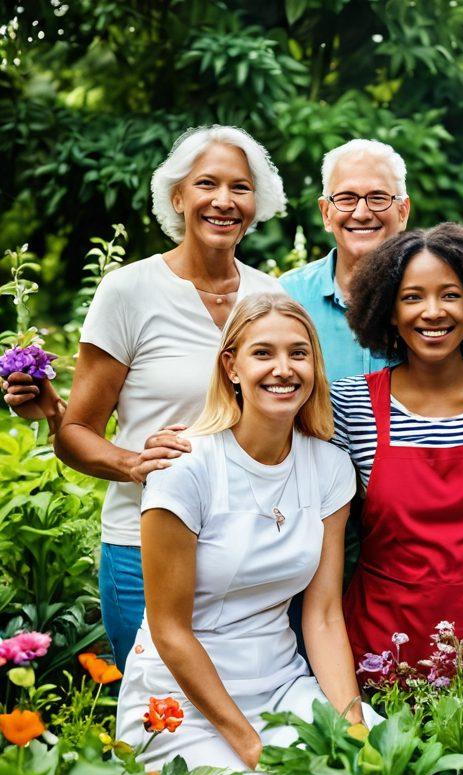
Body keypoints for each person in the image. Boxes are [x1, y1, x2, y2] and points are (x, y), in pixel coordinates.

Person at [4, 125, 284, 669]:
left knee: (245, 718)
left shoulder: (270, 296)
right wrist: (134, 463)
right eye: (207, 184)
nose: (223, 201)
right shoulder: (129, 291)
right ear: (178, 197)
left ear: (258, 203)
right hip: (142, 547)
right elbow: (76, 433)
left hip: (249, 554)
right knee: (158, 719)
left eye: (240, 188)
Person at [115, 294, 377, 775]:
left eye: (298, 354)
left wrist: (352, 725)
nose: (283, 370)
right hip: (181, 703)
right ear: (231, 365)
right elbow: (170, 630)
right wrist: (251, 746)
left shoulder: (328, 467)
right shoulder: (184, 466)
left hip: (281, 685)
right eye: (263, 354)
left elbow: (322, 615)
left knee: (379, 767)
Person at [335, 223, 463, 668]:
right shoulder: (350, 404)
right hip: (381, 648)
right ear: (388, 311)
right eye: (412, 297)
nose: (433, 311)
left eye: (450, 295)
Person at [280, 139, 410, 380]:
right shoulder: (288, 297)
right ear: (326, 213)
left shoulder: (434, 301)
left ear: (403, 212)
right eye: (347, 198)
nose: (361, 214)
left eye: (378, 198)